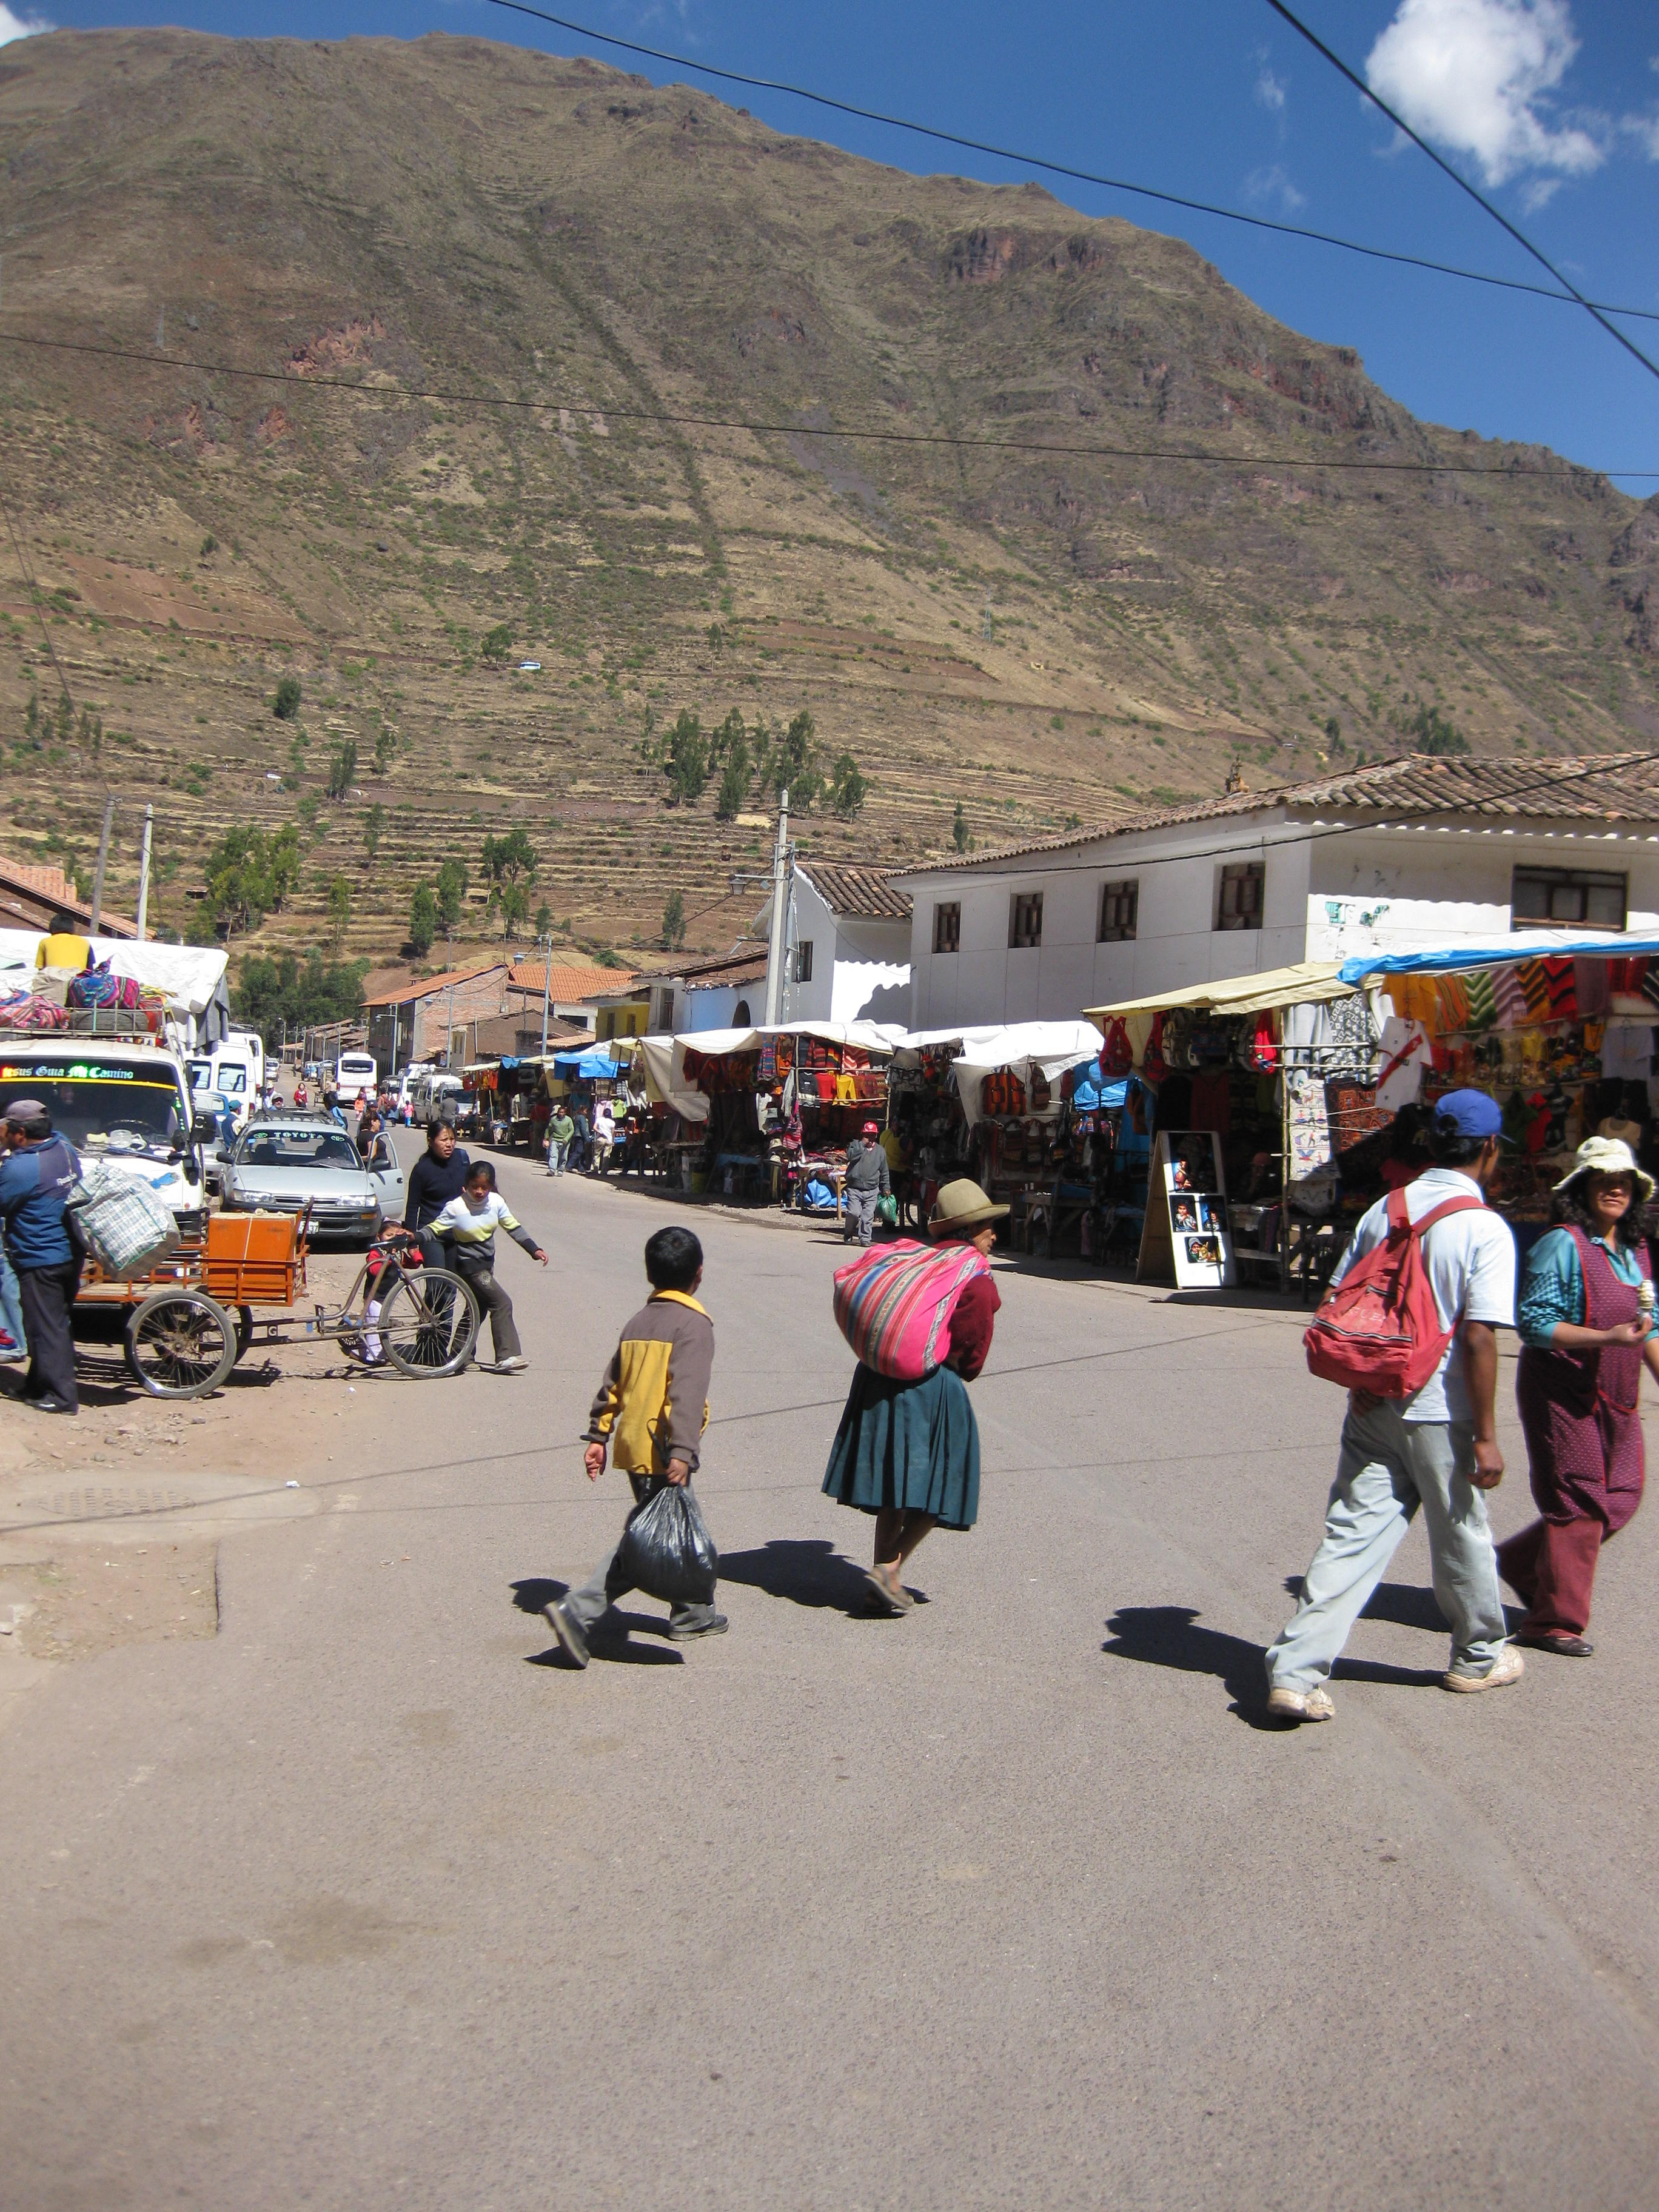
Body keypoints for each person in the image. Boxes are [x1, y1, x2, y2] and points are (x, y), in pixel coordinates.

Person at [1263, 1090, 1523, 1723]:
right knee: (1461, 1530)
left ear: (1432, 1143)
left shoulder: (1389, 1207)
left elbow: (1339, 1296)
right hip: (1442, 1407)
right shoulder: (1483, 1226)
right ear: (1489, 1149)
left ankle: (1295, 1673)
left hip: (1374, 1394)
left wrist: (1365, 1373)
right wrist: (1486, 1435)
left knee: (1351, 1534)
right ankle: (1479, 1656)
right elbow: (1483, 1336)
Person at [1497, 1136, 1657, 1658]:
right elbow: (1536, 1325)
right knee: (1580, 1496)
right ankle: (1553, 1621)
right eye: (1604, 1179)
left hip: (1618, 1395)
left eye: (1623, 1181)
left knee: (1625, 1493)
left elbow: (1650, 1328)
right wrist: (1607, 1339)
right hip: (1562, 1390)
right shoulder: (1562, 1243)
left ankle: (1524, 1563)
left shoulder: (1635, 1250)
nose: (1615, 1188)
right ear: (1583, 1187)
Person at [543, 1225, 726, 1664]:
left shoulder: (637, 1323)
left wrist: (599, 1436)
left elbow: (612, 1385)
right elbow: (687, 1392)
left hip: (633, 1446)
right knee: (644, 1543)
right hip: (663, 1449)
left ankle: (693, 1612)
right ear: (698, 1274)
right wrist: (683, 1451)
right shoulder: (694, 1325)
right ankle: (579, 1610)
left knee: (677, 1525)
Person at [822, 1178, 1004, 1614]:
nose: (994, 1236)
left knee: (895, 1482)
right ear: (967, 1231)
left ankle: (884, 1574)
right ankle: (889, 1567)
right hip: (929, 1384)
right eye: (987, 1228)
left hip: (876, 1378)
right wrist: (955, 1368)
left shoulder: (919, 1260)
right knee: (944, 1478)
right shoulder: (975, 1279)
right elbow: (971, 1353)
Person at [0, 1098, 82, 1414]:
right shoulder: (63, 1148)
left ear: (20, 1134)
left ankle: (62, 1398)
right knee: (47, 1324)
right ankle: (37, 1385)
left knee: (48, 1329)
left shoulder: (21, 1168)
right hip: (69, 1253)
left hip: (41, 1257)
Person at [429, 1160, 547, 1372]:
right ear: (466, 1185)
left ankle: (460, 1356)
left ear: (492, 1186)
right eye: (475, 1186)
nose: (480, 1191)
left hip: (486, 1265)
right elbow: (434, 1229)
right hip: (471, 1268)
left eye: (485, 1187)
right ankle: (506, 1356)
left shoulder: (496, 1202)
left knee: (478, 1309)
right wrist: (413, 1237)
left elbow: (513, 1227)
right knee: (502, 1302)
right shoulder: (456, 1207)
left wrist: (533, 1249)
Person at [403, 1118, 471, 1268]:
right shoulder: (422, 1169)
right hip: (431, 1235)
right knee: (436, 1283)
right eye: (444, 1140)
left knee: (452, 1284)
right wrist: (412, 1242)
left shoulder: (462, 1161)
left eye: (452, 1139)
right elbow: (413, 1207)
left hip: (458, 1234)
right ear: (430, 1141)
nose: (449, 1144)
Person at [842, 1120, 891, 1248]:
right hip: (855, 1188)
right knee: (854, 1213)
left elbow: (884, 1170)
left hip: (872, 1189)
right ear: (863, 1135)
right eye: (867, 1135)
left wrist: (886, 1187)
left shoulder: (880, 1151)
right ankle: (848, 1231)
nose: (870, 1138)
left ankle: (865, 1239)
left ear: (876, 1136)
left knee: (867, 1216)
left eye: (872, 1135)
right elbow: (850, 1156)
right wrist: (862, 1145)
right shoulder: (855, 1146)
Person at [355, 1105, 392, 1170]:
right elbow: (371, 1156)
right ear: (373, 1122)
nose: (380, 1124)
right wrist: (359, 1159)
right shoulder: (372, 1137)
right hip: (377, 1171)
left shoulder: (362, 1134)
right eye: (379, 1122)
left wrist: (358, 1159)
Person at [547, 1100, 575, 1177]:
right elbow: (549, 1129)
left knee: (563, 1157)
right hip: (555, 1140)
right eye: (560, 1112)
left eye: (562, 1113)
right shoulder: (553, 1120)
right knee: (553, 1155)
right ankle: (552, 1170)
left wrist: (567, 1139)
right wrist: (547, 1138)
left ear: (565, 1113)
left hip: (564, 1141)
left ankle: (560, 1170)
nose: (561, 1114)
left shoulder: (569, 1120)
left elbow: (572, 1130)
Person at [591, 1096, 615, 1175]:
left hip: (601, 1139)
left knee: (597, 1154)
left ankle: (595, 1169)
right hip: (609, 1140)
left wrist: (600, 1132)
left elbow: (594, 1128)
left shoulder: (599, 1120)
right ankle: (604, 1172)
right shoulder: (612, 1122)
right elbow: (613, 1133)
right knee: (606, 1156)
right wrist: (612, 1141)